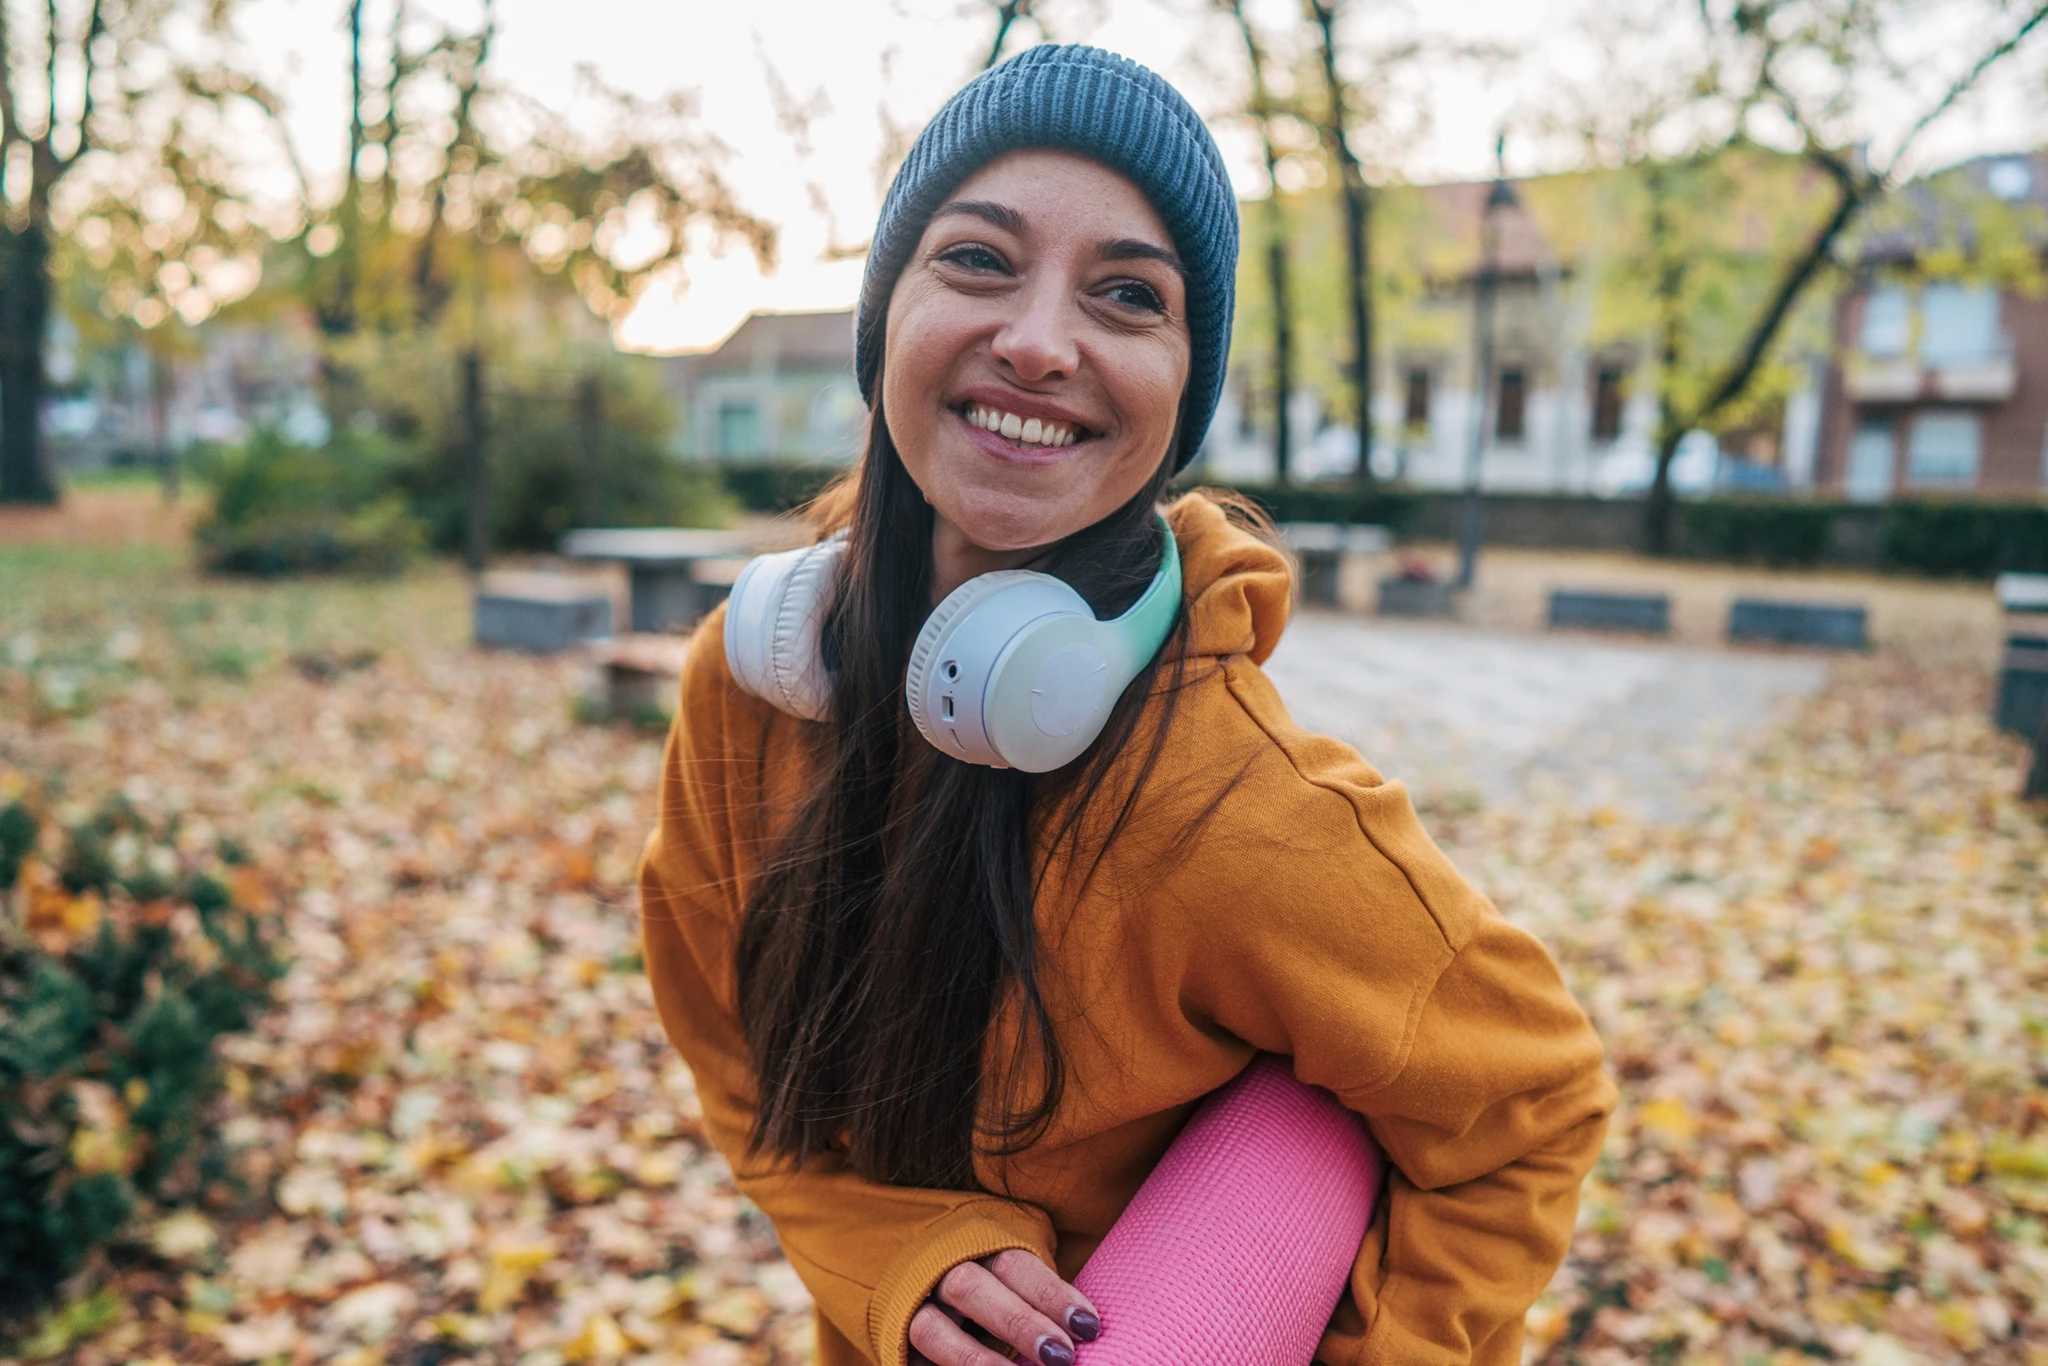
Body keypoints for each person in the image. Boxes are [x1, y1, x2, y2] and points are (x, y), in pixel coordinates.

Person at [639, 45, 1614, 1366]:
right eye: (979, 259)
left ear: (1179, 391)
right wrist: (888, 1254)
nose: (1039, 342)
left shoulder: (1243, 806)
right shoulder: (751, 684)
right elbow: (735, 1053)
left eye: (1127, 294)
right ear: (885, 317)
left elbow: (1531, 1103)